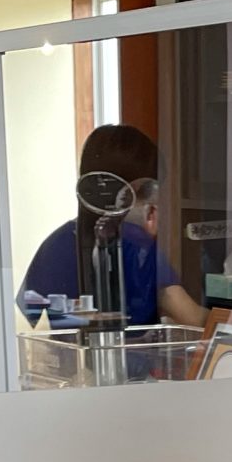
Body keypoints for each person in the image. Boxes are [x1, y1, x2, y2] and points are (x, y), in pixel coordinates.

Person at [18, 123, 206, 330]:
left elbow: (30, 313)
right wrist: (231, 321)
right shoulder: (133, 245)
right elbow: (190, 315)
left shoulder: (57, 244)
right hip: (114, 350)